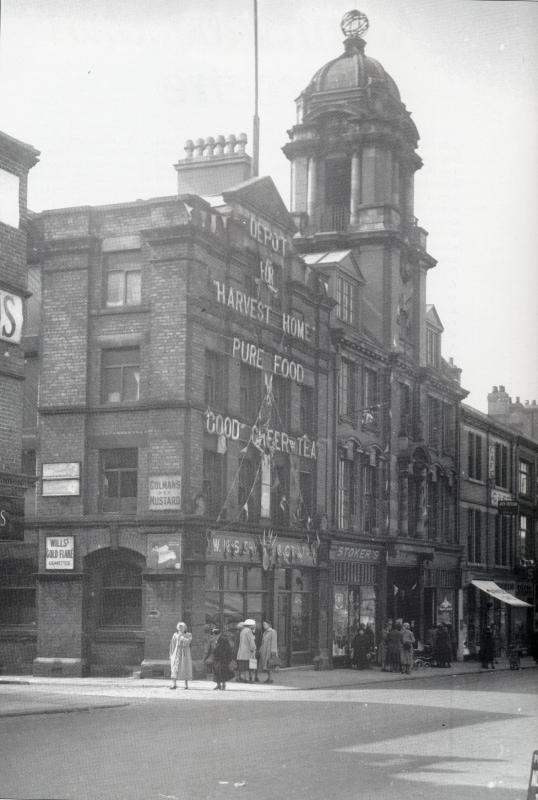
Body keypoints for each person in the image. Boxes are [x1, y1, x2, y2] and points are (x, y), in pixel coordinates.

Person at [169, 621, 193, 689]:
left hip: (185, 653)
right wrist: (171, 654)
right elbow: (172, 644)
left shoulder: (188, 634)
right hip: (176, 652)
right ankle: (174, 684)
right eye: (179, 628)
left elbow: (188, 642)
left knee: (185, 667)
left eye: (182, 627)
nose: (180, 629)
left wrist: (182, 638)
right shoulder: (175, 635)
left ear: (185, 628)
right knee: (174, 667)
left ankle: (186, 685)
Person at [237, 618, 257, 683]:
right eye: (254, 624)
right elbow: (251, 641)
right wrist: (253, 649)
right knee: (250, 666)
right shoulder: (248, 631)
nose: (255, 625)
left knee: (244, 667)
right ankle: (250, 679)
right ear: (251, 625)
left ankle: (244, 678)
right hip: (248, 652)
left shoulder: (242, 631)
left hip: (242, 652)